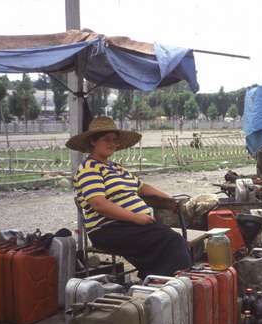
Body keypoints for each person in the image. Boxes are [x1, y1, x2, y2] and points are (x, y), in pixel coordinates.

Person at [66, 116, 192, 279]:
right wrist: (135, 218)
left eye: (114, 140)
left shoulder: (117, 168)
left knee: (175, 242)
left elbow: (142, 187)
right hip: (108, 229)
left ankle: (159, 280)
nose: (112, 144)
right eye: (106, 139)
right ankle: (171, 283)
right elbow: (99, 204)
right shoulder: (89, 169)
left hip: (129, 226)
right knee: (171, 241)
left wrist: (170, 201)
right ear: (93, 141)